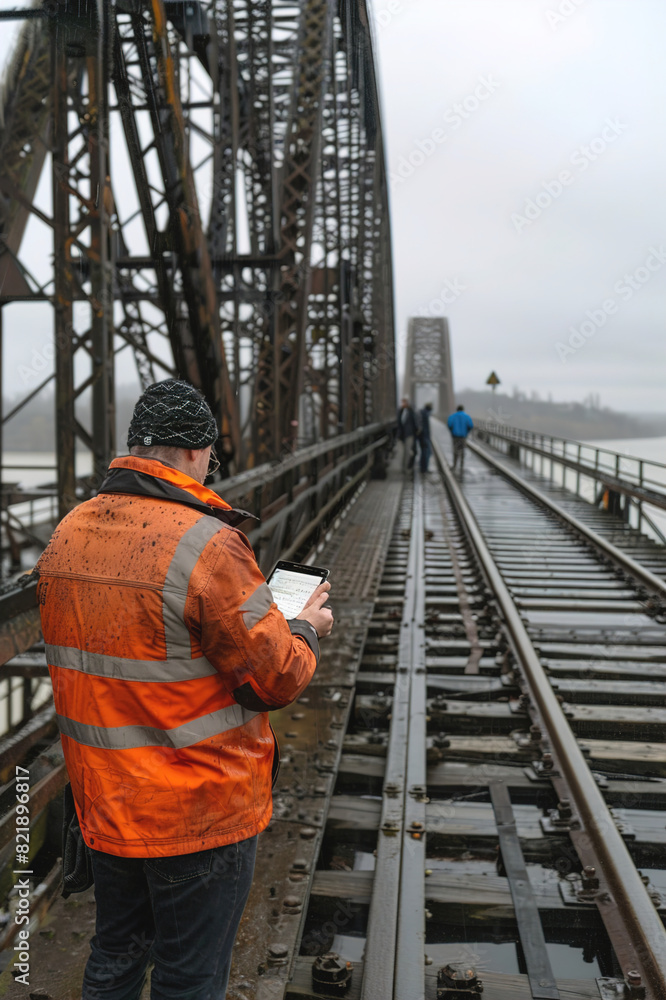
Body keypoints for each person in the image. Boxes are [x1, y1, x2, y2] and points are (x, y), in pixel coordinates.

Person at [35, 379, 334, 1000]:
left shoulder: (67, 535)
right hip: (197, 811)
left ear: (135, 448)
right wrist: (304, 626)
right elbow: (274, 677)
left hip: (105, 801)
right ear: (199, 453)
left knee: (115, 956)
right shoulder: (210, 545)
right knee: (189, 977)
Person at [447, 403, 474, 471]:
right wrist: (466, 432)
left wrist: (452, 431)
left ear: (457, 409)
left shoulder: (452, 416)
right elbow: (470, 426)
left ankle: (455, 465)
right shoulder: (467, 416)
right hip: (463, 437)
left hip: (455, 436)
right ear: (463, 409)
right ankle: (462, 466)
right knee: (462, 451)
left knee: (455, 450)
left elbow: (449, 424)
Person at [396, 396, 418, 472]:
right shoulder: (399, 411)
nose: (403, 403)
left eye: (405, 402)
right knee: (401, 453)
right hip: (401, 435)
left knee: (408, 452)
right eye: (402, 402)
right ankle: (403, 467)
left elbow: (415, 423)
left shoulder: (411, 412)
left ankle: (405, 468)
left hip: (409, 435)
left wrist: (415, 433)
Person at [417, 402, 433, 473]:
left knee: (424, 452)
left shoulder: (421, 412)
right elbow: (425, 428)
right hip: (425, 437)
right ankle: (424, 469)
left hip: (422, 437)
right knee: (427, 453)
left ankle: (422, 467)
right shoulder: (425, 414)